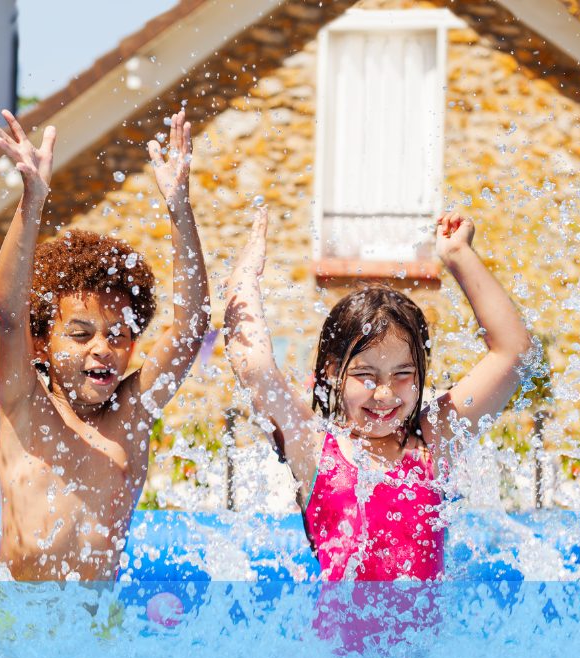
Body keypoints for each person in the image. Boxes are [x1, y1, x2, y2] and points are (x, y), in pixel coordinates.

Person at [224, 207, 532, 581]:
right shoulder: (316, 450)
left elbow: (514, 353)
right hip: (335, 644)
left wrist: (459, 257)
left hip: (426, 644)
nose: (384, 393)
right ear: (334, 372)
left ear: (422, 371)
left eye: (403, 373)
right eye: (366, 375)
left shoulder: (434, 441)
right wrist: (242, 280)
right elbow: (253, 366)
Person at [0, 109, 210, 581]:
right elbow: (8, 315)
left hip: (94, 632)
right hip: (11, 625)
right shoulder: (23, 403)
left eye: (118, 334)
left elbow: (190, 329)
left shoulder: (132, 415)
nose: (103, 349)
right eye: (81, 333)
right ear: (41, 344)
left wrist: (179, 211)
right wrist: (32, 204)